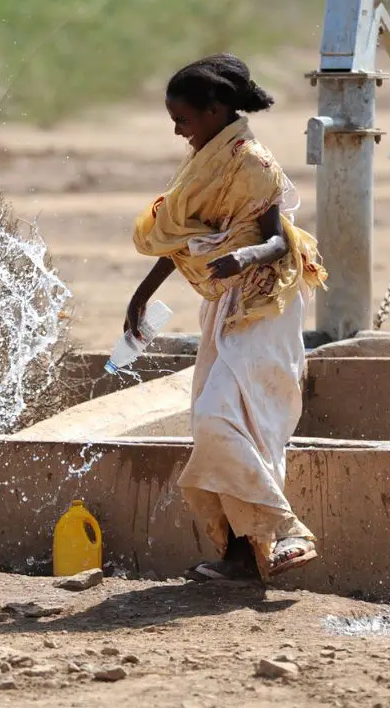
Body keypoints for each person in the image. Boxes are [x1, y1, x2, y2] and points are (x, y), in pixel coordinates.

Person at [125, 53, 328, 582]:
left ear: (215, 110)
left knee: (228, 417)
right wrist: (142, 294)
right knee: (220, 421)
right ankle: (242, 555)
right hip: (223, 299)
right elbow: (186, 237)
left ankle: (286, 531)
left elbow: (277, 239)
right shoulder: (204, 159)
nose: (177, 131)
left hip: (264, 298)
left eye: (183, 120)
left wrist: (245, 257)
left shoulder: (252, 162)